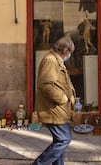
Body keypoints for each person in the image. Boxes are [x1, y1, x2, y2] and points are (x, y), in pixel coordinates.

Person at [33, 36, 76, 165]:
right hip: (54, 109)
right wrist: (62, 98)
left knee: (59, 140)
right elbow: (45, 84)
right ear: (64, 50)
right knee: (64, 139)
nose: (69, 55)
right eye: (69, 52)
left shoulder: (56, 60)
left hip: (58, 110)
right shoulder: (51, 61)